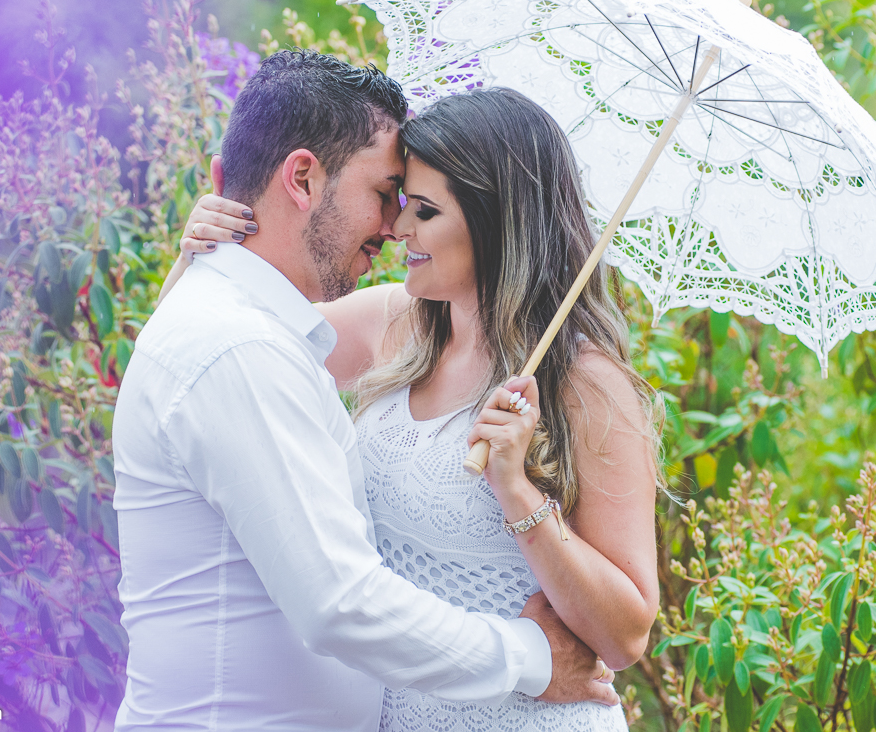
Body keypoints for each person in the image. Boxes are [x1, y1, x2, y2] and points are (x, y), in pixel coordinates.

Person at [112, 51, 616, 732]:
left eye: (417, 206)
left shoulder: (255, 331)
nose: (393, 226)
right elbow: (339, 602)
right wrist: (533, 656)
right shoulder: (240, 345)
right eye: (385, 194)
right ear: (302, 179)